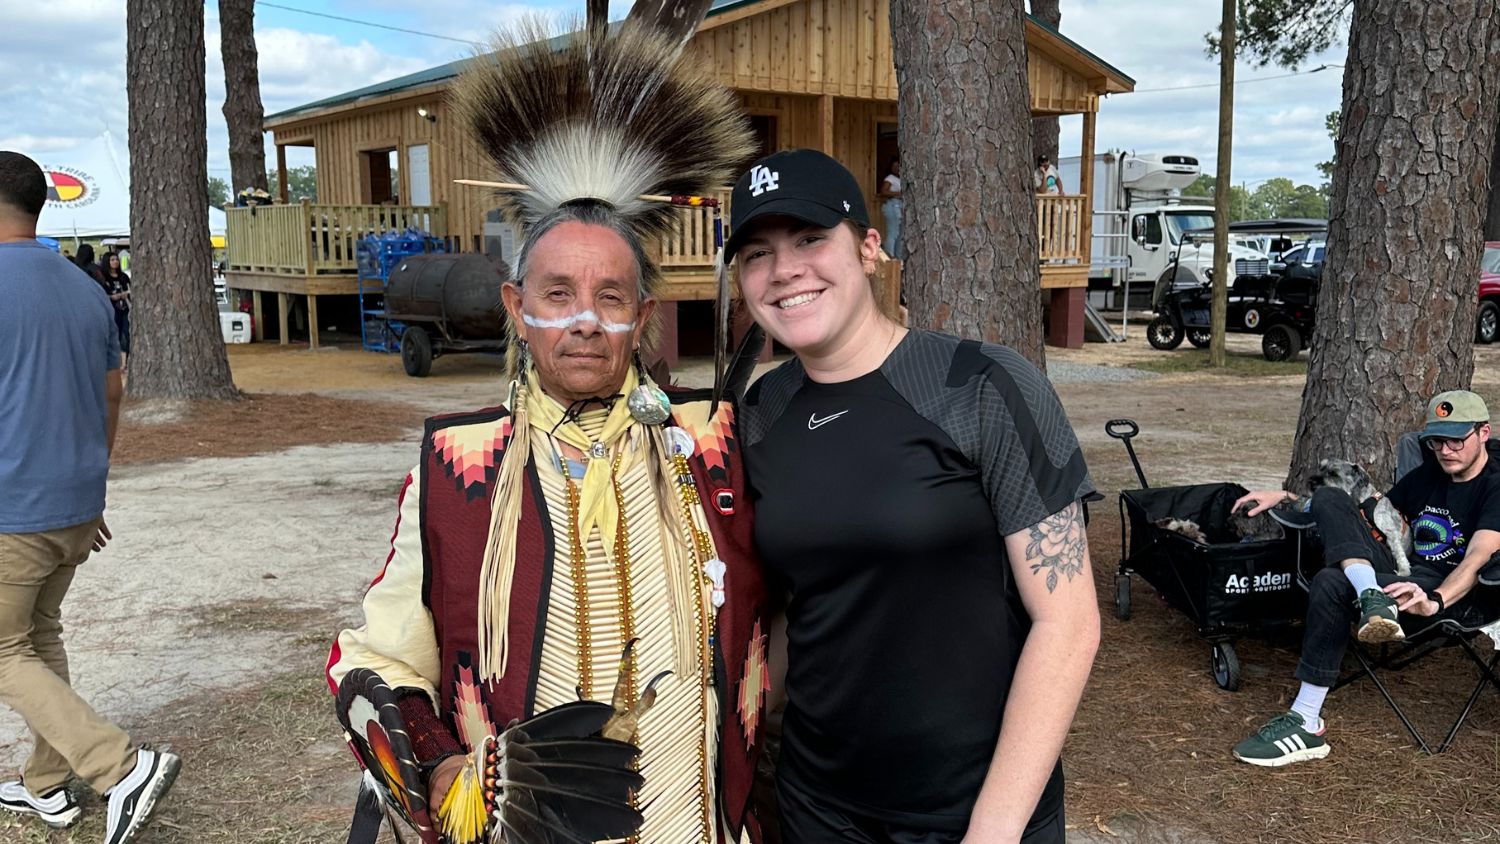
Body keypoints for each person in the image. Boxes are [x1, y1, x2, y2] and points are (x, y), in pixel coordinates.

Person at [327, 6, 771, 842]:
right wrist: (443, 764)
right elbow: (373, 659)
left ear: (643, 316)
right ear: (516, 308)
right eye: (557, 295)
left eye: (610, 299)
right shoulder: (462, 464)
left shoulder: (711, 444)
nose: (584, 322)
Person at [728, 148, 1100, 844]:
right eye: (756, 253)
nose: (784, 271)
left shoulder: (980, 387)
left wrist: (995, 826)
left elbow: (1069, 623)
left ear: (869, 248)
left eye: (810, 239)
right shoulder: (761, 413)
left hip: (970, 812)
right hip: (819, 806)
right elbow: (787, 605)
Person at [0, 151, 181, 841]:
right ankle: (47, 784)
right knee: (37, 638)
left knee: (2, 650)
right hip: (75, 501)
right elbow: (111, 394)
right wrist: (89, 488)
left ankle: (120, 768)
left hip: (12, 506)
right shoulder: (84, 288)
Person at [1229, 389, 1500, 767]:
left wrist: (1434, 599)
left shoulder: (1494, 485)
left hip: (1444, 591)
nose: (1445, 449)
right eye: (1437, 440)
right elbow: (1374, 514)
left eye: (1456, 439)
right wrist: (1288, 498)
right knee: (1329, 496)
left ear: (1483, 432)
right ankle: (1370, 593)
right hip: (1396, 576)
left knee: (1329, 582)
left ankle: (1305, 719)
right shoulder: (1428, 474)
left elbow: (1478, 558)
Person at [99, 251, 131, 368]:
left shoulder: (124, 277)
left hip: (125, 309)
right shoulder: (104, 279)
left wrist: (126, 294)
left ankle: (125, 363)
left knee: (127, 335)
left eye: (116, 259)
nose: (115, 262)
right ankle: (115, 363)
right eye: (112, 260)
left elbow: (130, 289)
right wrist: (112, 297)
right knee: (115, 336)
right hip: (112, 310)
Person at [876, 157, 902, 260]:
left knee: (900, 234)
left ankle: (897, 257)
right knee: (893, 232)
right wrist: (899, 193)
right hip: (892, 205)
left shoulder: (900, 178)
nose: (897, 168)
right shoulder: (890, 178)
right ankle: (889, 257)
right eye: (894, 166)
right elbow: (884, 192)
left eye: (898, 166)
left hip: (899, 206)